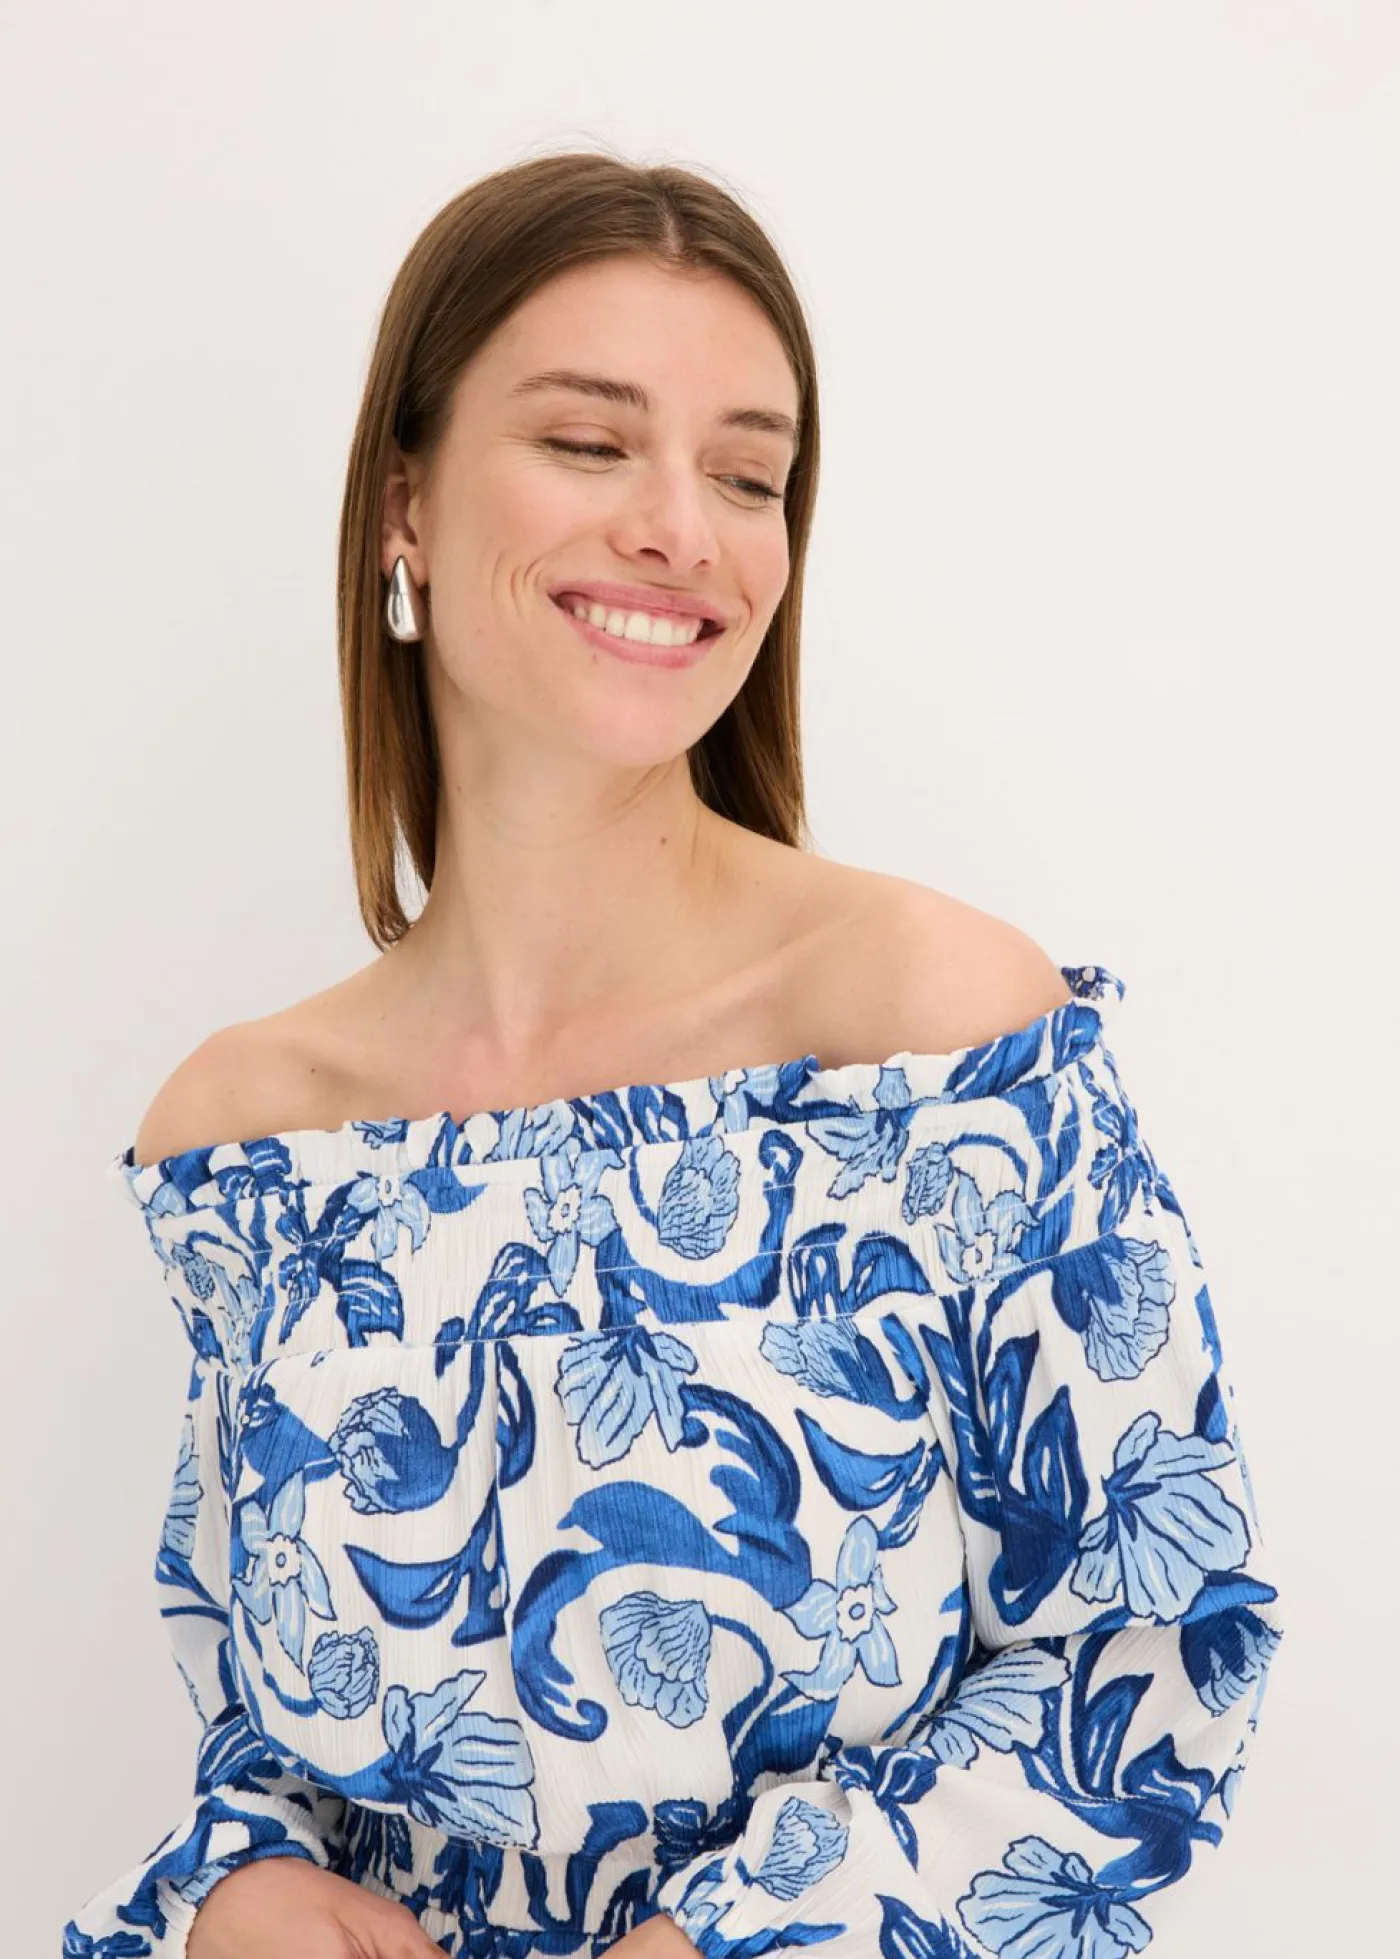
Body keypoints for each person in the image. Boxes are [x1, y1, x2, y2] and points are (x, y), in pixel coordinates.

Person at [65, 151, 1285, 1959]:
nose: (681, 529)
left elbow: (1155, 1648)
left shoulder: (930, 1038)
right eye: (590, 441)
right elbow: (272, 1722)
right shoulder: (249, 1140)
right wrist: (239, 1888)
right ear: (404, 501)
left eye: (747, 474)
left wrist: (730, 1944)